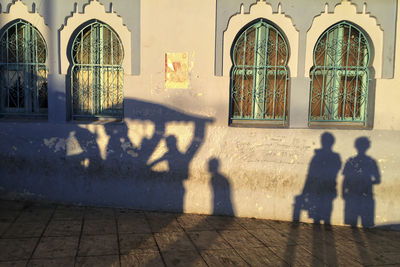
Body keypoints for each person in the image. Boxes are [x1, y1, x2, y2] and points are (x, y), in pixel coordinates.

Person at [293, 132, 341, 224]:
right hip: (324, 186)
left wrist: (304, 192)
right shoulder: (333, 157)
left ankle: (320, 228)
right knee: (322, 211)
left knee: (323, 211)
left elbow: (311, 174)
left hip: (325, 186)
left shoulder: (319, 156)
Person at [342, 137, 381, 227]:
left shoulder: (350, 161)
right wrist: (367, 182)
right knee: (366, 225)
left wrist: (343, 192)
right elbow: (378, 180)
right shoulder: (371, 162)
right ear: (368, 146)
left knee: (353, 225)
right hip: (365, 195)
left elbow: (345, 179)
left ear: (355, 146)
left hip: (353, 195)